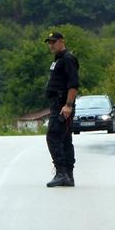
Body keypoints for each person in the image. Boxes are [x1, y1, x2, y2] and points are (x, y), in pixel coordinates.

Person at [43, 31, 79, 187]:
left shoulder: (67, 59)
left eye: (53, 42)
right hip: (58, 103)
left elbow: (73, 84)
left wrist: (68, 105)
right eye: (49, 42)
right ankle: (68, 176)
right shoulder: (58, 60)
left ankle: (61, 173)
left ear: (61, 41)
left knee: (53, 136)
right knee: (65, 139)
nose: (51, 45)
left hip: (62, 104)